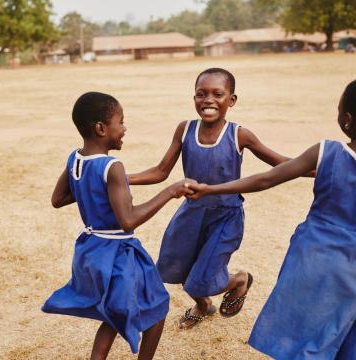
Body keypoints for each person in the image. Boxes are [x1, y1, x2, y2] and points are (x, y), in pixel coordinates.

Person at [186, 80, 356, 359]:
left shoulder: (328, 151)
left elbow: (265, 179)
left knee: (302, 335)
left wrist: (211, 188)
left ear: (346, 120)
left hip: (315, 260)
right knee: (344, 332)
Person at [128, 68, 291, 329]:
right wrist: (122, 178)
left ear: (232, 100)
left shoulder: (239, 134)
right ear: (194, 98)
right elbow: (160, 172)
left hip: (225, 217)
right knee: (177, 267)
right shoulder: (185, 130)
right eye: (201, 94)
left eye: (218, 94)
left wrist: (319, 167)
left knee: (203, 277)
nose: (208, 100)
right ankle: (204, 305)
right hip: (191, 214)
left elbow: (280, 163)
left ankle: (238, 280)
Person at [41, 92, 196, 360]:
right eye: (121, 122)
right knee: (158, 307)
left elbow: (58, 199)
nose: (124, 129)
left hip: (91, 250)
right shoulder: (112, 166)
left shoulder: (75, 158)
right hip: (118, 253)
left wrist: (92, 191)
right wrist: (170, 192)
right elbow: (128, 220)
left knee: (113, 312)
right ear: (101, 128)